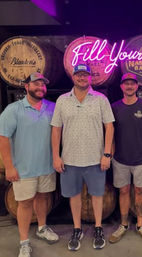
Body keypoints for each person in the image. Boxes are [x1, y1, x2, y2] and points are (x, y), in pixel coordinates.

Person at [51, 64, 114, 251]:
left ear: (90, 77)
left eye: (85, 75)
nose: (81, 78)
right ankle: (77, 228)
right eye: (78, 74)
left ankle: (98, 227)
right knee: (74, 196)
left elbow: (109, 127)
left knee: (97, 195)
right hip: (70, 159)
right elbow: (56, 129)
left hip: (96, 159)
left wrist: (107, 154)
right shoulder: (62, 100)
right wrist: (56, 156)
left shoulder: (101, 99)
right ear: (73, 77)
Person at [0, 72, 59, 257]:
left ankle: (42, 228)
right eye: (36, 84)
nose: (40, 87)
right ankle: (24, 241)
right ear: (26, 87)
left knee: (43, 199)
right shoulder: (13, 109)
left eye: (43, 84)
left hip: (46, 166)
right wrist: (9, 166)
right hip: (24, 169)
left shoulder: (52, 108)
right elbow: (3, 139)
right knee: (24, 204)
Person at [109, 73, 142, 245]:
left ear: (137, 86)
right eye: (126, 84)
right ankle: (123, 224)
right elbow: (110, 133)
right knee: (123, 191)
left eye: (132, 84)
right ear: (121, 87)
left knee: (140, 191)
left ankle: (140, 224)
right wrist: (111, 154)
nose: (129, 86)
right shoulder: (114, 107)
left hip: (141, 160)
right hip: (120, 160)